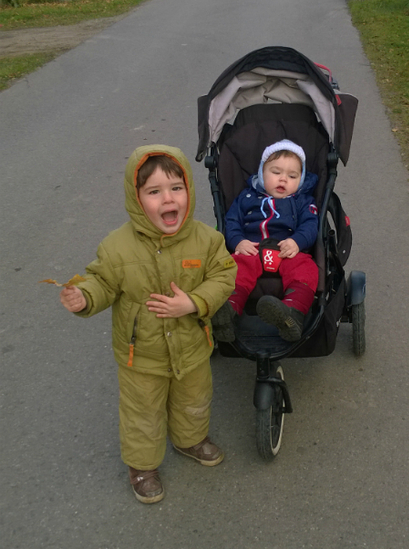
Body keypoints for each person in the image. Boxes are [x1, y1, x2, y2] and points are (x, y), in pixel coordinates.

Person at [59, 144, 237, 505]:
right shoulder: (117, 247)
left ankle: (190, 439)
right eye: (154, 191)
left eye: (176, 188)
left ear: (189, 190)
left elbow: (224, 275)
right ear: (136, 198)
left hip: (191, 346)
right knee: (142, 414)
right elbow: (102, 282)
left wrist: (194, 302)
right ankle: (142, 466)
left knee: (194, 399)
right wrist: (85, 297)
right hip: (140, 355)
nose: (168, 198)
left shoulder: (207, 240)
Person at [213, 140, 318, 343]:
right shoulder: (246, 197)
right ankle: (228, 312)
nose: (283, 179)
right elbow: (232, 222)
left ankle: (291, 313)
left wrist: (296, 241)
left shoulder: (303, 201)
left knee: (307, 268)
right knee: (234, 267)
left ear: (301, 179)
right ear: (262, 173)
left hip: (287, 251)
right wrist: (238, 242)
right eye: (276, 172)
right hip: (251, 250)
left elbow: (310, 225)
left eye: (292, 176)